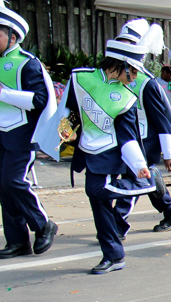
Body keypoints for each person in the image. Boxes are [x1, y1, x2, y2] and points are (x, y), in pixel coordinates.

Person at [36, 41, 157, 274]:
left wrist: (139, 166)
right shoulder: (81, 78)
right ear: (120, 64)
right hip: (87, 150)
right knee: (100, 206)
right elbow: (71, 108)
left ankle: (149, 182)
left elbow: (128, 138)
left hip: (109, 154)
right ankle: (113, 255)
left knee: (95, 190)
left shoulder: (127, 98)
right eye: (132, 70)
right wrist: (66, 130)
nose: (134, 77)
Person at [113, 19, 171, 236]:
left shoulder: (146, 82)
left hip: (144, 141)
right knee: (147, 176)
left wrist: (169, 153)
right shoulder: (113, 77)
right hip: (123, 138)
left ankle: (117, 225)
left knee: (134, 178)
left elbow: (162, 119)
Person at [0, 0, 58, 259]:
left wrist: (4, 94)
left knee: (14, 181)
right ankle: (17, 241)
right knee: (4, 186)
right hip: (1, 134)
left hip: (22, 134)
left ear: (12, 36)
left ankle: (43, 224)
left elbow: (40, 99)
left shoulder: (27, 62)